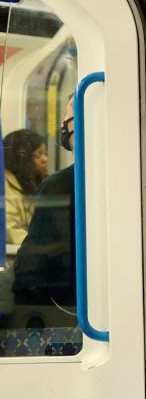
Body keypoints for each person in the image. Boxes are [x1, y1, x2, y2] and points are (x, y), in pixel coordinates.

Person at [12, 99, 76, 328]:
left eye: (68, 114)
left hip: (62, 309)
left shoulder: (59, 185)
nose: (63, 123)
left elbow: (31, 267)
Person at [4, 129, 49, 247]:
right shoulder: (5, 187)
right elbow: (11, 231)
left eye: (45, 153)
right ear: (21, 158)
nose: (45, 159)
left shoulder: (31, 185)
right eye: (38, 155)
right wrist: (45, 247)